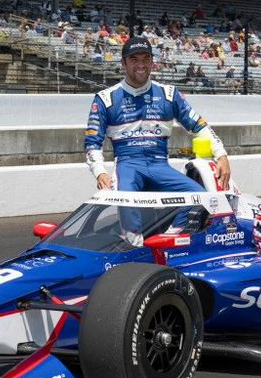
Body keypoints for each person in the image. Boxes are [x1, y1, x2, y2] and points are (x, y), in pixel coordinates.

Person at [85, 36, 230, 240]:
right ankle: (133, 250)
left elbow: (199, 125)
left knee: (201, 197)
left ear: (152, 62)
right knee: (127, 201)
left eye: (146, 59)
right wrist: (100, 173)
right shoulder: (105, 98)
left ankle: (167, 241)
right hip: (127, 165)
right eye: (134, 59)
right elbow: (92, 143)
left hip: (159, 164)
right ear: (123, 63)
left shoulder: (169, 94)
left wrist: (221, 154)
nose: (141, 65)